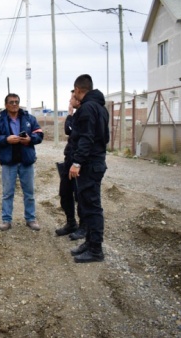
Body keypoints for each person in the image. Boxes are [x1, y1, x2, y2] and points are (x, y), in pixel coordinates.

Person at [0, 93, 44, 231]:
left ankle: (31, 219)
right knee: (7, 193)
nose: (14, 104)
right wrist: (6, 139)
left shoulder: (29, 118)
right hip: (9, 162)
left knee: (29, 193)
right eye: (11, 102)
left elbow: (40, 134)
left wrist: (30, 139)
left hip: (26, 162)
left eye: (16, 102)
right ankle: (6, 220)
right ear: (6, 104)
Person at [68, 74, 109, 263]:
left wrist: (77, 163)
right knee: (87, 204)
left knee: (92, 207)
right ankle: (89, 242)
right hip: (95, 162)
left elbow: (86, 138)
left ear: (77, 90)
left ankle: (95, 250)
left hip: (89, 164)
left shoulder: (87, 108)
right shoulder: (100, 108)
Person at [55, 90, 86, 239]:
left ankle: (83, 227)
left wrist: (77, 162)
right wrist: (69, 113)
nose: (70, 100)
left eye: (72, 98)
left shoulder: (84, 115)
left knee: (80, 195)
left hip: (79, 162)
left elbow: (73, 131)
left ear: (78, 99)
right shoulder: (75, 115)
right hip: (69, 160)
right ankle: (71, 223)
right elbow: (68, 130)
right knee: (65, 192)